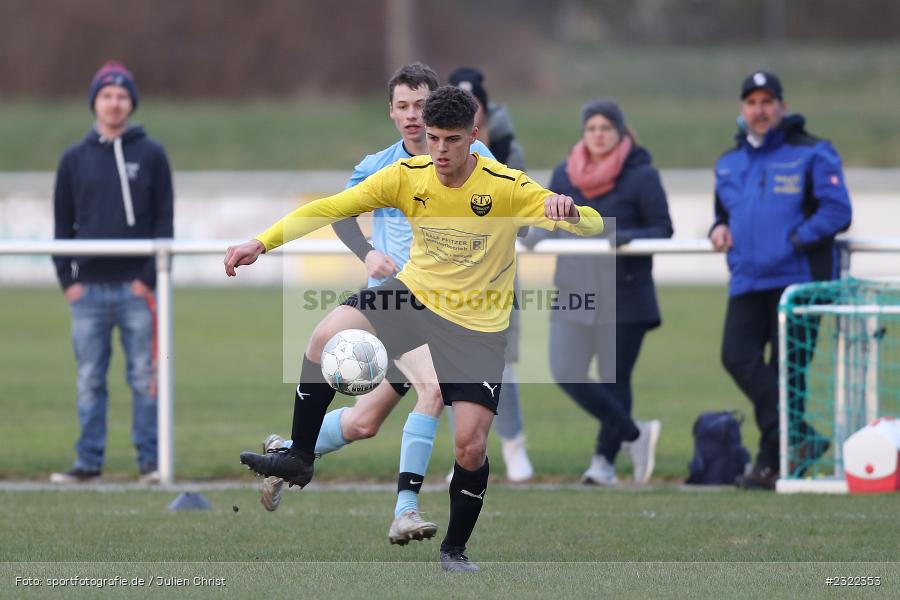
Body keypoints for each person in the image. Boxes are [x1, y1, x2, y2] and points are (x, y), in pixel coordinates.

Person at [226, 86, 603, 571]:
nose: (440, 152)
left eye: (450, 140)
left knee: (470, 445)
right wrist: (261, 242)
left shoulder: (506, 185)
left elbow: (593, 226)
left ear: (473, 135)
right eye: (432, 139)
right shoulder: (407, 175)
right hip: (414, 296)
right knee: (325, 334)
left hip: (476, 328)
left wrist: (570, 211)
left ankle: (454, 550)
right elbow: (329, 208)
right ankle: (299, 456)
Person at [257, 63, 497, 548]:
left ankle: (286, 451)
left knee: (364, 423)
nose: (412, 116)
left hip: (451, 310)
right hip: (396, 309)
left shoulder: (474, 156)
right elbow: (341, 213)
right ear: (390, 111)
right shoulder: (380, 166)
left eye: (420, 106)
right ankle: (405, 511)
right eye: (402, 106)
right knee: (431, 391)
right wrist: (368, 252)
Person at [709, 71, 852, 490]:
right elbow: (723, 213)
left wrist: (795, 239)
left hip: (798, 281)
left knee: (788, 375)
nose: (760, 110)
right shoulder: (728, 162)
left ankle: (773, 464)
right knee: (736, 357)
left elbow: (837, 210)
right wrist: (716, 229)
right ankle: (800, 438)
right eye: (752, 103)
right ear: (742, 110)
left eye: (767, 102)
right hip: (748, 281)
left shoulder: (813, 152)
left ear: (782, 107)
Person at [527, 99, 671, 485]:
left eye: (605, 128)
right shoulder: (565, 173)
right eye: (591, 128)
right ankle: (637, 434)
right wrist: (533, 236)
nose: (598, 135)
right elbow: (547, 217)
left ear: (620, 131)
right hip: (574, 291)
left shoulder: (642, 175)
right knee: (564, 369)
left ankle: (602, 465)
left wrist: (625, 236)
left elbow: (663, 229)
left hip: (625, 295)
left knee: (614, 380)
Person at [50, 61, 174, 484]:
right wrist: (70, 283)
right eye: (107, 95)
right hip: (88, 293)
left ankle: (150, 463)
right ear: (95, 102)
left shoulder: (152, 154)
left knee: (145, 378)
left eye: (122, 96)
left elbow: (164, 223)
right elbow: (61, 229)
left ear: (131, 103)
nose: (115, 103)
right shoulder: (73, 159)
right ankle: (88, 462)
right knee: (89, 380)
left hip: (136, 290)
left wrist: (146, 279)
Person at [447, 66, 533, 482]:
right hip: (452, 280)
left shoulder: (507, 151)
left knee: (504, 366)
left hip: (497, 278)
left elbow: (525, 222)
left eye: (475, 105)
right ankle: (461, 456)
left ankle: (514, 447)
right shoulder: (434, 154)